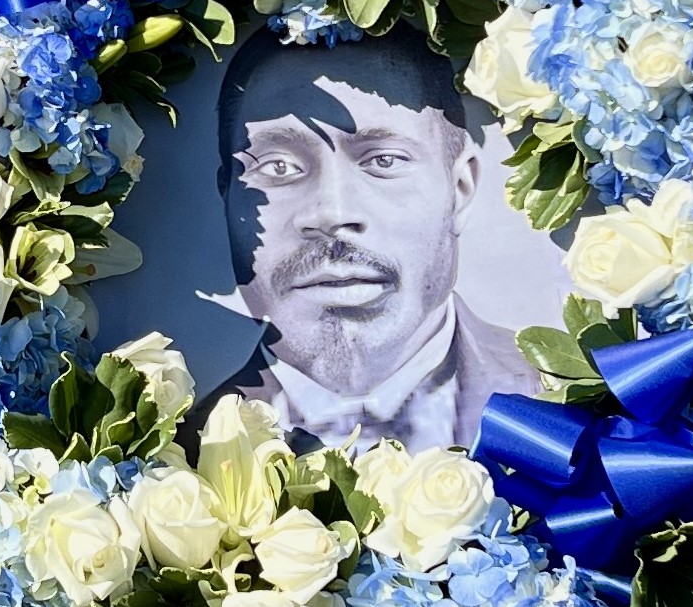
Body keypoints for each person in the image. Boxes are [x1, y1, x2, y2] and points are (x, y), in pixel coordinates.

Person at [187, 26, 536, 453]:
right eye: (278, 167)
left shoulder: (571, 402)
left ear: (460, 189)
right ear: (227, 196)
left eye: (383, 161)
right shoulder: (168, 459)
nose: (332, 214)